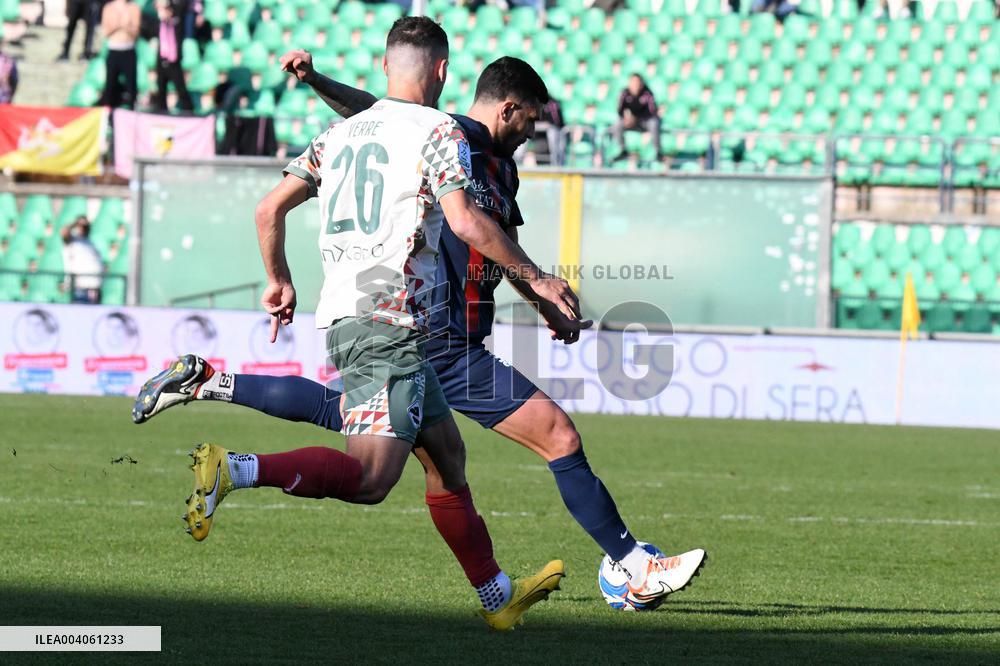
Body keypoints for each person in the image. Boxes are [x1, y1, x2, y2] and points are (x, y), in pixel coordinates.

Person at [134, 49, 708, 606]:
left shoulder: (501, 172)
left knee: (409, 446)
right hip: (434, 336)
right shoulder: (446, 132)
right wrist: (317, 82)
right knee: (548, 437)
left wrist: (542, 303)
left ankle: (210, 383)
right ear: (508, 108)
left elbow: (494, 250)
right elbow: (373, 112)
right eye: (531, 120)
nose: (533, 133)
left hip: (431, 336)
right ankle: (635, 567)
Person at [97, 0, 140, 109]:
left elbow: (135, 32)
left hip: (128, 50)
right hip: (114, 50)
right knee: (110, 85)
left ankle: (131, 110)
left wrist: (126, 26)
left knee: (131, 85)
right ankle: (108, 112)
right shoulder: (109, 8)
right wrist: (118, 24)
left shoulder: (134, 8)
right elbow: (106, 31)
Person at [610, 73, 662, 162]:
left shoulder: (647, 94)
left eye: (637, 83)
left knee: (654, 123)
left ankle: (658, 152)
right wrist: (627, 118)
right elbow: (620, 110)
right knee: (618, 123)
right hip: (631, 122)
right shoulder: (625, 93)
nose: (635, 85)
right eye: (632, 83)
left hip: (644, 122)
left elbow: (651, 111)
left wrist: (636, 118)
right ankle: (622, 150)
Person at [153, 0, 194, 113]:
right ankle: (161, 111)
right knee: (161, 90)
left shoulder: (177, 21)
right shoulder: (159, 23)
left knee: (181, 89)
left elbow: (182, 6)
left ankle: (188, 112)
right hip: (161, 58)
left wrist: (168, 5)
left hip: (174, 60)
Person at [60, 216, 104, 304]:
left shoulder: (90, 243)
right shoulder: (72, 241)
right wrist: (76, 223)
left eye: (86, 226)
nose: (84, 228)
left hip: (94, 287)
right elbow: (64, 232)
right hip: (80, 287)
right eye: (81, 226)